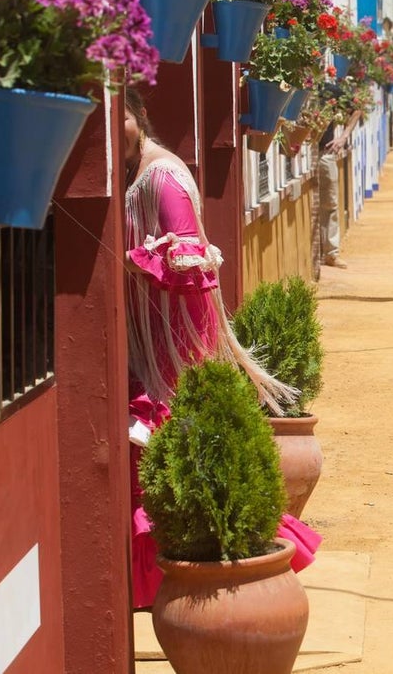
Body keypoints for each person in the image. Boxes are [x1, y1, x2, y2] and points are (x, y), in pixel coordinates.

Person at [122, 90, 321, 609]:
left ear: (139, 115)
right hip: (153, 340)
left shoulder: (160, 176)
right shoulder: (134, 171)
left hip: (170, 344)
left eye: (120, 116)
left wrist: (139, 266)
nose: (113, 128)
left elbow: (189, 262)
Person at [315, 83, 360, 270]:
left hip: (325, 154)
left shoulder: (329, 90)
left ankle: (331, 253)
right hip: (298, 155)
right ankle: (319, 252)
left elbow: (356, 110)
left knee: (330, 203)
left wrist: (343, 137)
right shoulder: (292, 83)